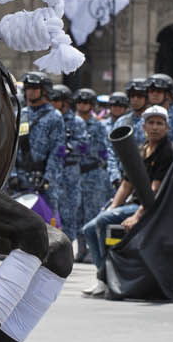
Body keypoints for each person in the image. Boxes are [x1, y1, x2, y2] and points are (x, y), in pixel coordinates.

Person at [81, 106, 173, 297]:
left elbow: (155, 192)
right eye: (151, 123)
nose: (155, 127)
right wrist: (112, 208)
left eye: (159, 123)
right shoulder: (142, 150)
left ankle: (106, 278)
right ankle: (102, 277)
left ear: (166, 127)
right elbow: (126, 184)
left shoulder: (168, 151)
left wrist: (136, 216)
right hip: (133, 203)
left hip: (151, 208)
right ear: (143, 126)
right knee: (89, 229)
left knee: (102, 222)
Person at [10, 72, 64, 219]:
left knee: (47, 225)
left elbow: (57, 152)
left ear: (44, 91)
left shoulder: (54, 117)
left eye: (35, 88)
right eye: (28, 88)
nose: (30, 91)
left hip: (42, 180)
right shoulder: (20, 114)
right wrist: (12, 175)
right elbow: (11, 147)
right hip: (19, 180)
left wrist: (48, 179)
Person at [71, 88, 111, 259]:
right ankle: (81, 249)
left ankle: (93, 250)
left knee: (92, 213)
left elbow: (104, 149)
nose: (82, 105)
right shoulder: (71, 123)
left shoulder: (99, 125)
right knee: (77, 214)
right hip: (75, 173)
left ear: (93, 105)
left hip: (93, 174)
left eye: (86, 102)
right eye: (80, 102)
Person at [48, 84, 85, 236]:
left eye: (56, 100)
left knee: (68, 215)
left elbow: (84, 147)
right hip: (50, 174)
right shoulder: (49, 119)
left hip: (69, 174)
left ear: (66, 102)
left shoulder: (77, 122)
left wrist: (66, 148)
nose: (53, 103)